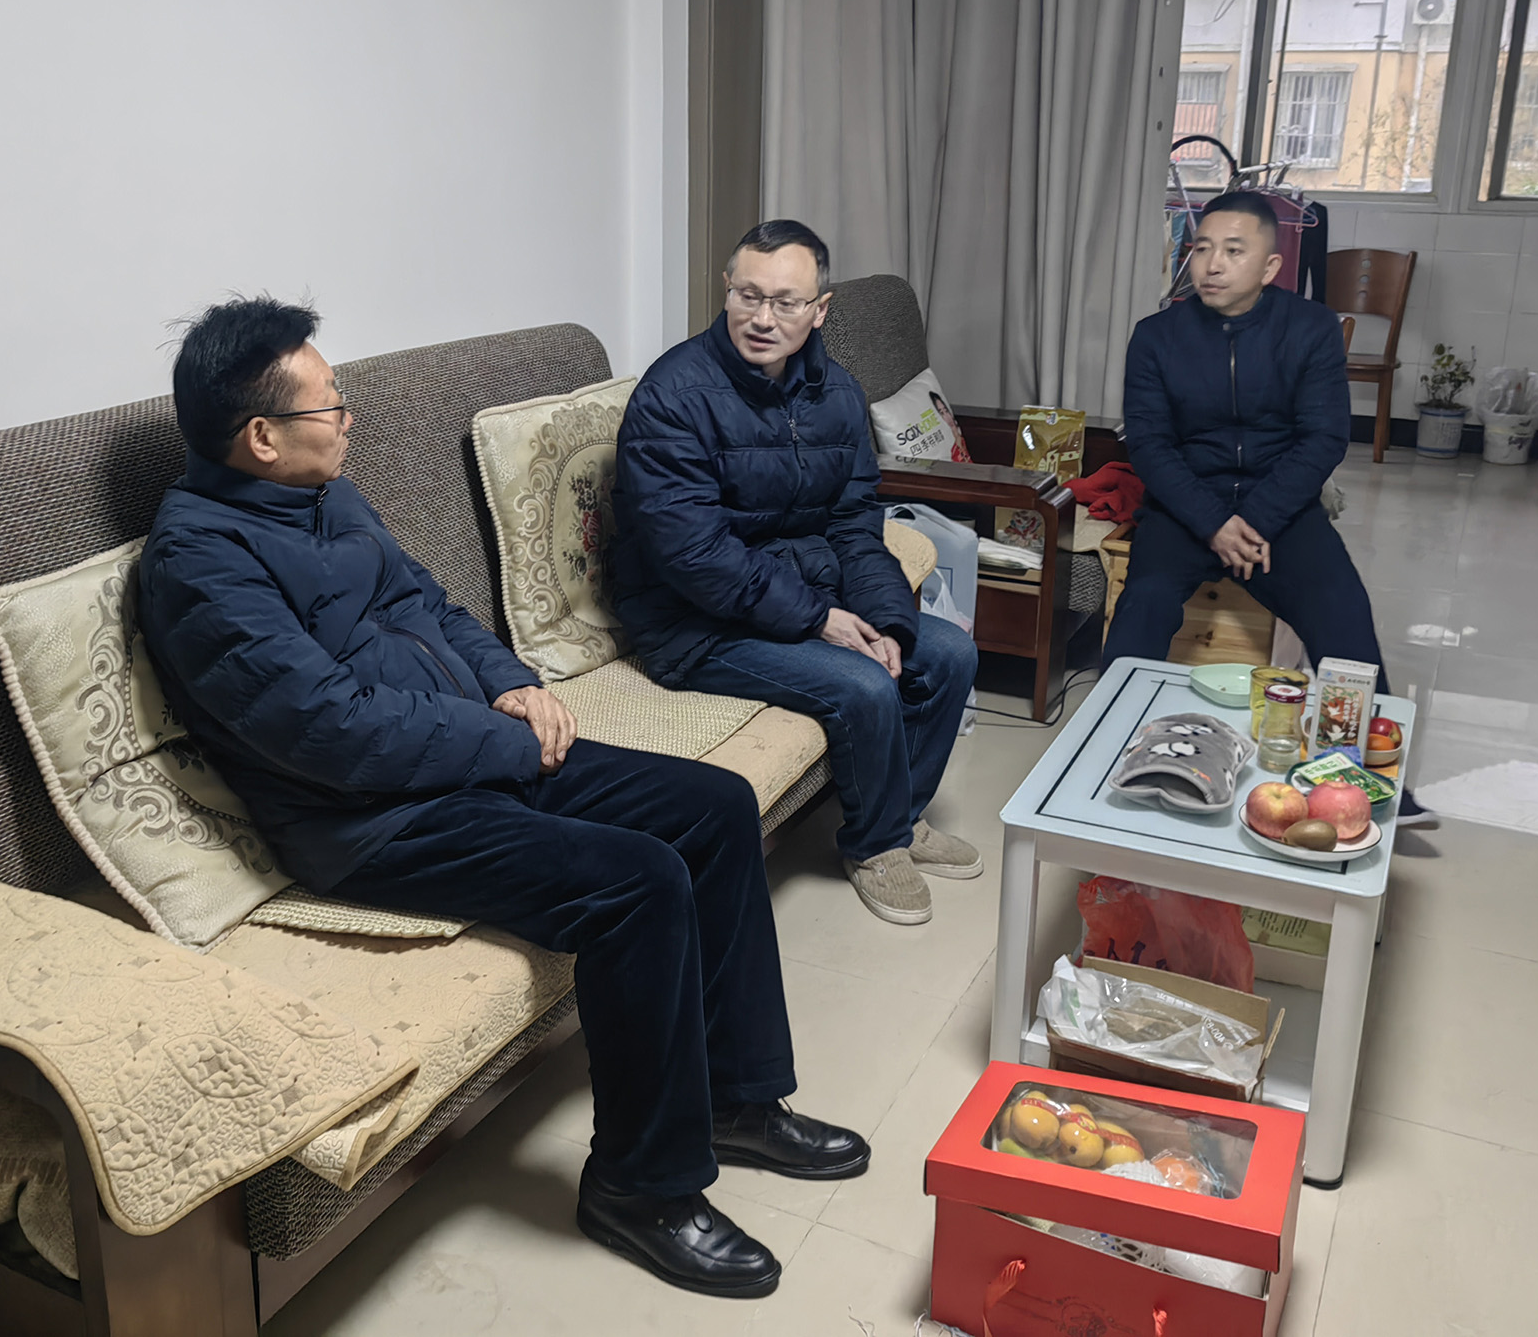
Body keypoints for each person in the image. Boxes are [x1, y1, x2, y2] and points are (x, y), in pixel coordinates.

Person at [137, 296, 870, 1300]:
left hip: (474, 749)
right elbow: (333, 734)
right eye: (330, 406)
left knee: (712, 806)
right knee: (635, 883)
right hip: (372, 821)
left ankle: (737, 1100)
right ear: (261, 437)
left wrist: (513, 684)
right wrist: (510, 744)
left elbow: (426, 602)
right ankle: (639, 1187)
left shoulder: (324, 495)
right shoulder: (198, 563)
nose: (348, 418)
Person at [612, 221, 983, 926]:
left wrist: (887, 618)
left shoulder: (836, 393)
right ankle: (876, 846)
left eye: (786, 302)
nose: (763, 318)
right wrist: (820, 620)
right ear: (727, 289)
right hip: (692, 622)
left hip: (792, 595)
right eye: (748, 296)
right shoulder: (673, 395)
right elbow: (694, 555)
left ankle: (901, 819)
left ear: (820, 309)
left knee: (948, 652)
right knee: (864, 684)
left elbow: (854, 523)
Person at [1104, 192, 1433, 824]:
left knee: (1343, 615)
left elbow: (1324, 438)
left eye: (1234, 251)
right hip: (1185, 507)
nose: (1212, 265)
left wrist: (1252, 521)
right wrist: (1211, 522)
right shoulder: (1156, 337)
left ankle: (1367, 776)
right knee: (1142, 606)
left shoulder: (1310, 329)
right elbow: (1149, 444)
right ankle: (1106, 746)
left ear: (1271, 267)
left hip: (1279, 508)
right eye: (1203, 249)